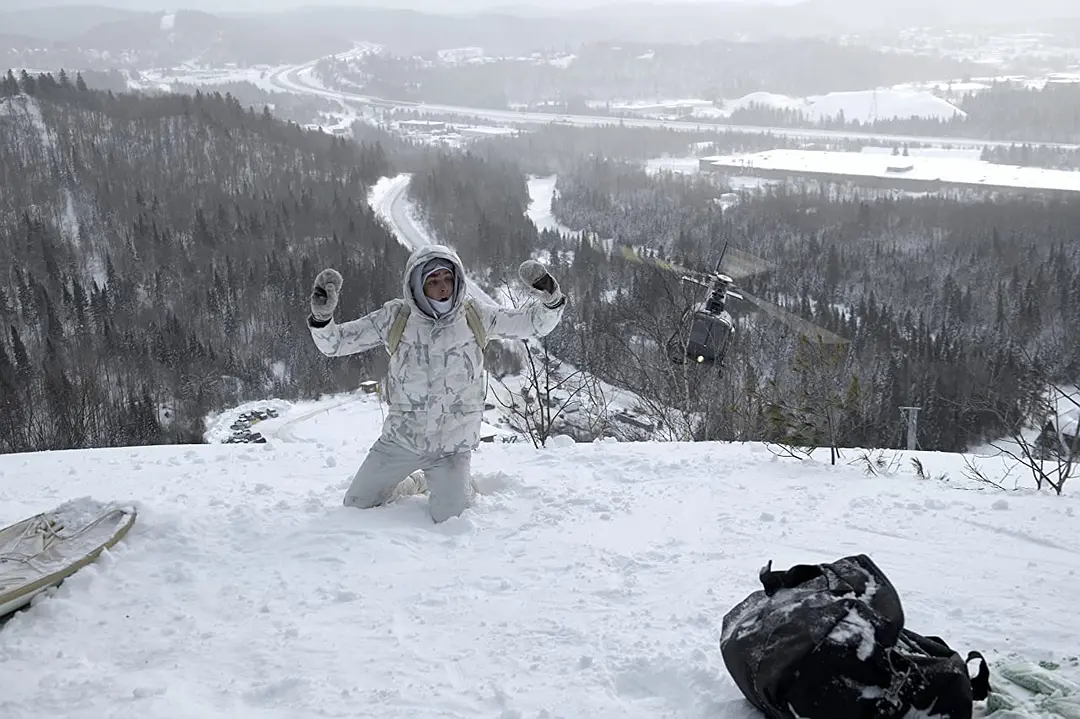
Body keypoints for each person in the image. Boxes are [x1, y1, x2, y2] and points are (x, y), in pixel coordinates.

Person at [307, 244, 567, 523]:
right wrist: (323, 320)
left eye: (447, 279)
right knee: (356, 504)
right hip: (400, 441)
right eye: (432, 281)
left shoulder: (475, 315)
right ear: (416, 284)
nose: (443, 287)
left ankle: (460, 485)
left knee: (449, 517)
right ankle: (417, 483)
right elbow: (336, 344)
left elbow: (532, 324)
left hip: (451, 447)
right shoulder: (396, 317)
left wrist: (550, 300)